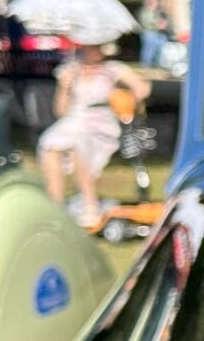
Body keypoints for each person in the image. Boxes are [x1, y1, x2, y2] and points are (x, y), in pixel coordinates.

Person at [38, 36, 138, 221]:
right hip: (74, 119)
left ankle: (90, 204)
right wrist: (65, 88)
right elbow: (60, 111)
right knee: (50, 146)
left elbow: (142, 89)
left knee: (79, 145)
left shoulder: (113, 70)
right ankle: (55, 205)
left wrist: (123, 95)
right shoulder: (70, 70)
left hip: (101, 121)